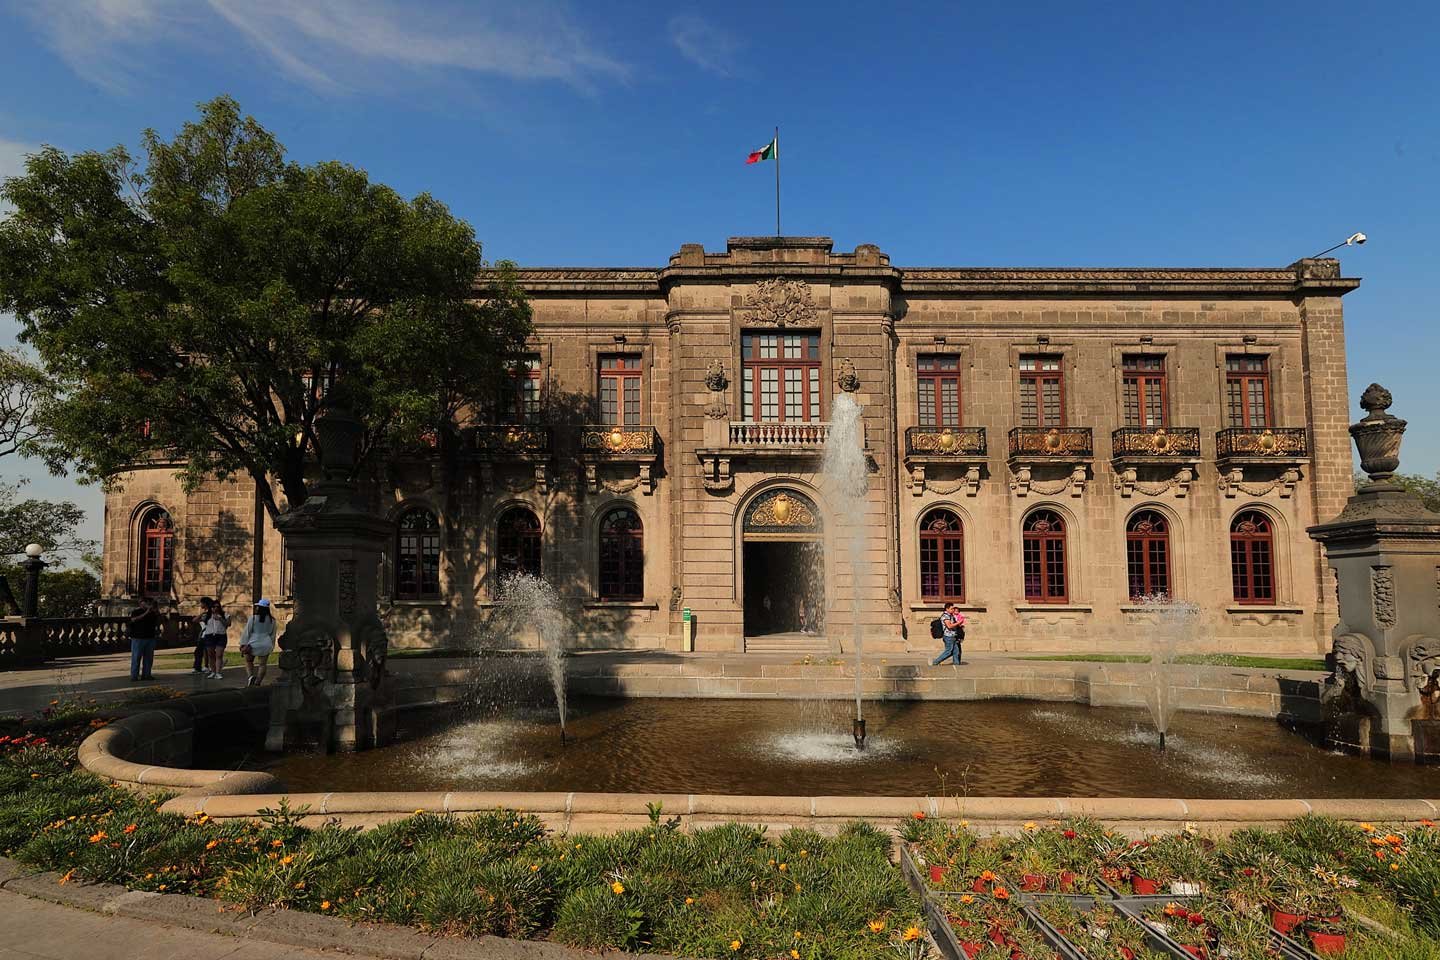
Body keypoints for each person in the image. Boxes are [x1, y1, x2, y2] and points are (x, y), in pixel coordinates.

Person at [239, 598, 277, 687]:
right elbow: (273, 634)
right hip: (266, 643)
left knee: (248, 661)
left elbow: (247, 632)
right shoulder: (272, 620)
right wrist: (271, 645)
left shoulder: (253, 618)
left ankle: (250, 676)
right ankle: (258, 682)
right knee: (262, 664)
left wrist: (243, 643)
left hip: (253, 643)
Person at [127, 596, 160, 682]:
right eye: (145, 602)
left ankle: (146, 674)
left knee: (148, 658)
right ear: (141, 603)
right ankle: (134, 676)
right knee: (136, 657)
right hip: (138, 638)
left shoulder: (153, 613)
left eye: (148, 603)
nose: (147, 604)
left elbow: (159, 621)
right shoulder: (136, 611)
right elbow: (134, 619)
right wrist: (146, 612)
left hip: (150, 637)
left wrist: (156, 611)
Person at [200, 600, 231, 679]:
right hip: (209, 636)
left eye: (217, 607)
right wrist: (201, 615)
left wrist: (220, 619)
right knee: (211, 655)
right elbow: (195, 620)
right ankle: (213, 672)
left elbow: (228, 624)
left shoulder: (224, 614)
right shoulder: (207, 615)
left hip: (221, 636)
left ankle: (218, 673)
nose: (216, 608)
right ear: (211, 607)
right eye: (214, 607)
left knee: (219, 655)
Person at [931, 602, 967, 667]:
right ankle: (935, 662)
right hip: (948, 637)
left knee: (956, 651)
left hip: (953, 636)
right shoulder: (945, 616)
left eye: (953, 608)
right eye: (951, 608)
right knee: (948, 651)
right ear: (947, 609)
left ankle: (956, 664)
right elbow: (949, 626)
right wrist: (958, 622)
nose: (953, 610)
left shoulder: (950, 615)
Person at [192, 597, 214, 673]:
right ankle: (200, 667)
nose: (200, 604)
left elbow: (198, 620)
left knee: (206, 652)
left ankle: (206, 667)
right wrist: (201, 614)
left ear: (205, 604)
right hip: (203, 635)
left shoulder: (209, 613)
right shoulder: (204, 613)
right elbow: (194, 620)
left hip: (208, 634)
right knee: (201, 651)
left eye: (201, 603)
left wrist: (202, 615)